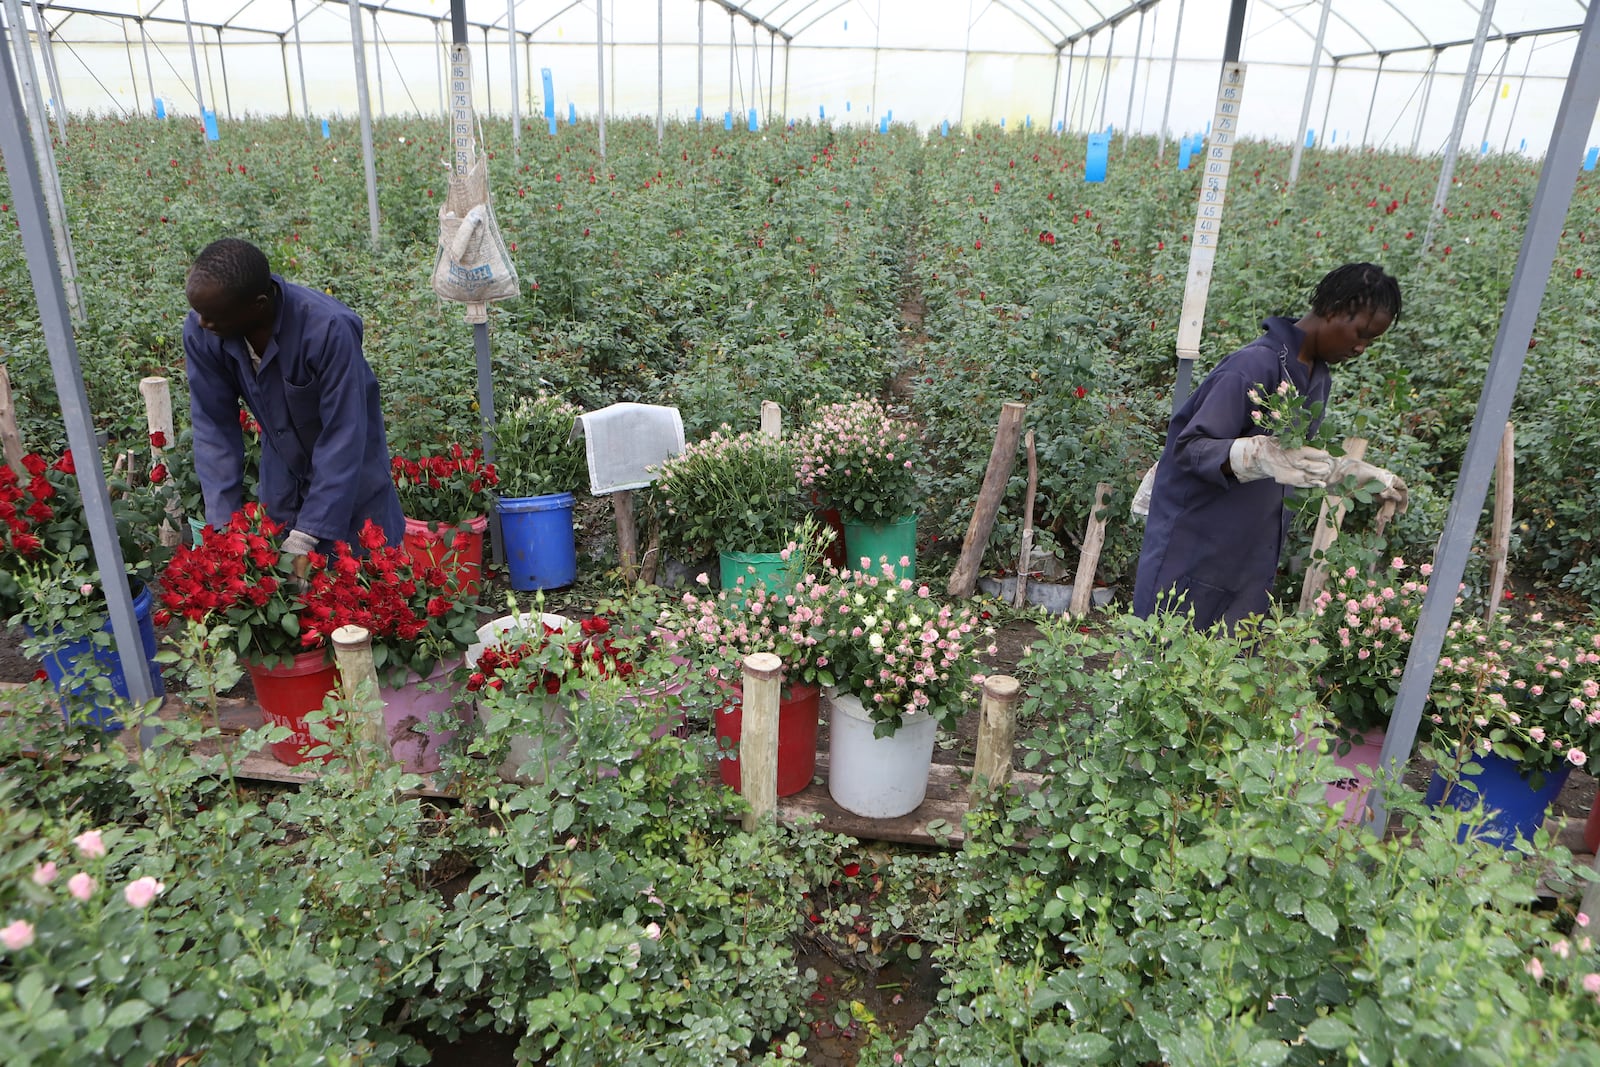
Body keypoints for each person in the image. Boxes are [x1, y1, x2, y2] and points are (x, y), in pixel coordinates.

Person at [1133, 262, 1409, 631]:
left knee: (1218, 675)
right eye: (1360, 333)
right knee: (1163, 661)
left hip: (1248, 557)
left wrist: (1348, 474)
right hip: (1193, 552)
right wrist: (1254, 454)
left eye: (1370, 341)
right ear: (1333, 309)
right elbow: (1188, 449)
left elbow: (1291, 460)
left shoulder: (1315, 377)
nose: (1360, 348)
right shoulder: (1253, 367)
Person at [183, 238, 404, 566]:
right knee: (287, 591)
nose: (203, 322)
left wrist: (306, 537)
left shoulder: (328, 330)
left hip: (352, 479)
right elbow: (213, 428)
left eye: (213, 316)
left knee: (364, 587)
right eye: (200, 313)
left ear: (258, 304)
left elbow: (344, 434)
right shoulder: (205, 332)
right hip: (283, 482)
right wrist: (224, 528)